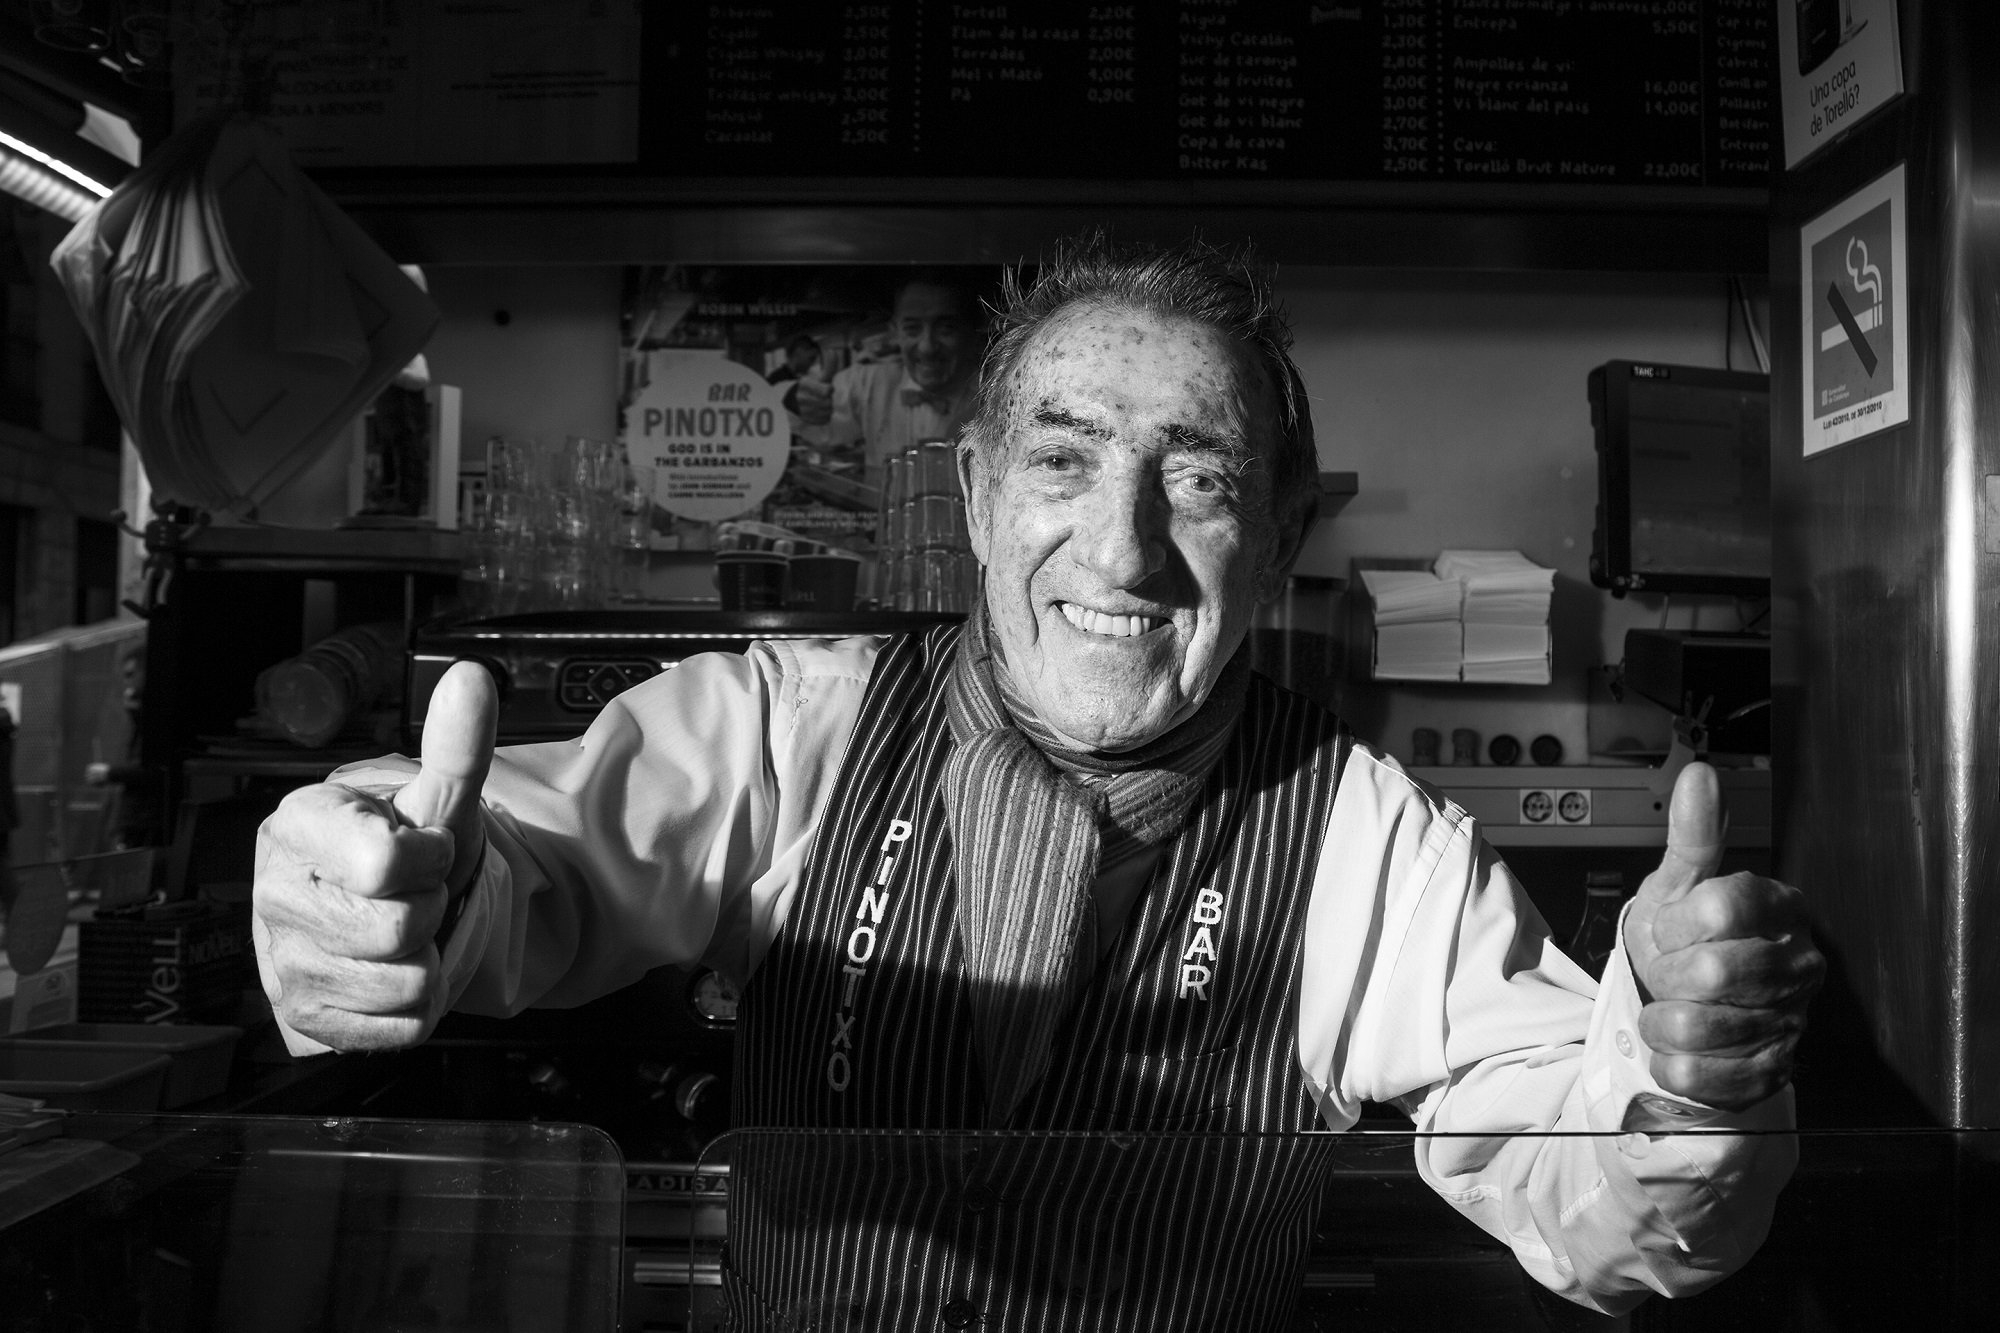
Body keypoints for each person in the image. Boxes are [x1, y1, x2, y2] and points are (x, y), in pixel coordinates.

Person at [253, 236, 1822, 1328]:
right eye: (1064, 462)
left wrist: (1675, 1077)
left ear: (1274, 543)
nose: (1123, 547)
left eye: (1198, 481)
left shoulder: (1365, 838)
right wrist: (380, 884)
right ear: (979, 491)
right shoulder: (790, 729)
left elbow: (1595, 1192)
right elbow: (535, 862)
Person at [785, 272, 981, 485]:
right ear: (895, 333)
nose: (927, 347)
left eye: (946, 328)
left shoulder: (997, 393)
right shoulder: (867, 383)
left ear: (971, 333)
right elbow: (808, 428)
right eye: (912, 329)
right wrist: (795, 400)